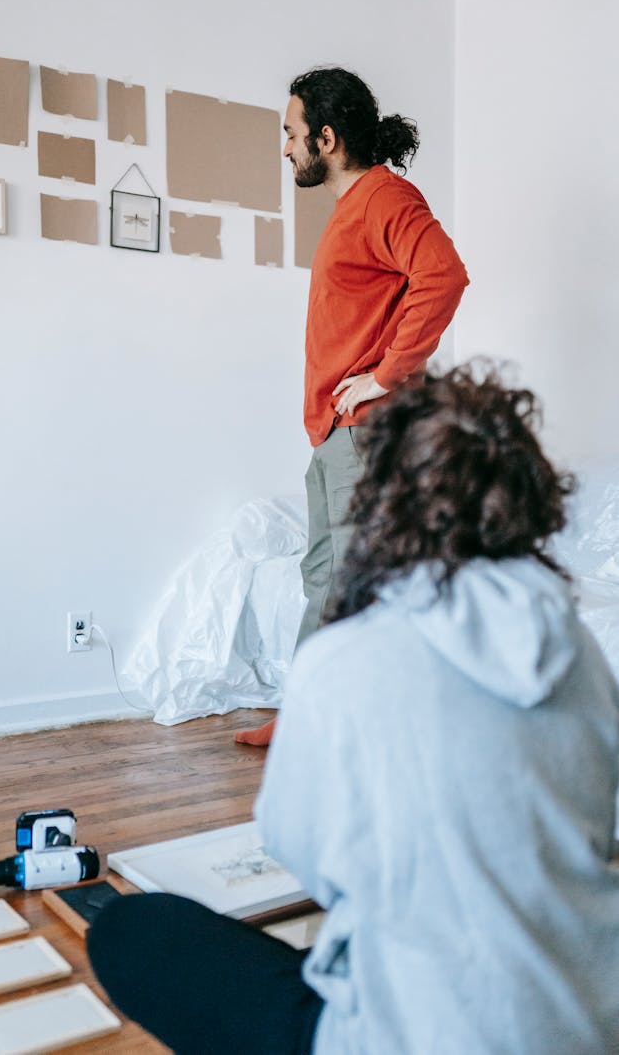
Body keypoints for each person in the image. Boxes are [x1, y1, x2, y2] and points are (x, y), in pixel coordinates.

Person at [88, 364, 619, 1054]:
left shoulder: (346, 656)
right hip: (589, 1018)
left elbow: (299, 848)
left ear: (383, 502)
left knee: (131, 930)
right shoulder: (575, 643)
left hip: (417, 1036)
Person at [235, 66, 469, 746]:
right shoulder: (357, 205)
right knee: (324, 571)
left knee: (346, 576)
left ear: (327, 138)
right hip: (336, 429)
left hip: (363, 428)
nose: (285, 147)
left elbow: (444, 276)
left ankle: (322, 720)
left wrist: (387, 375)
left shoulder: (384, 197)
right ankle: (315, 710)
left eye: (291, 132)